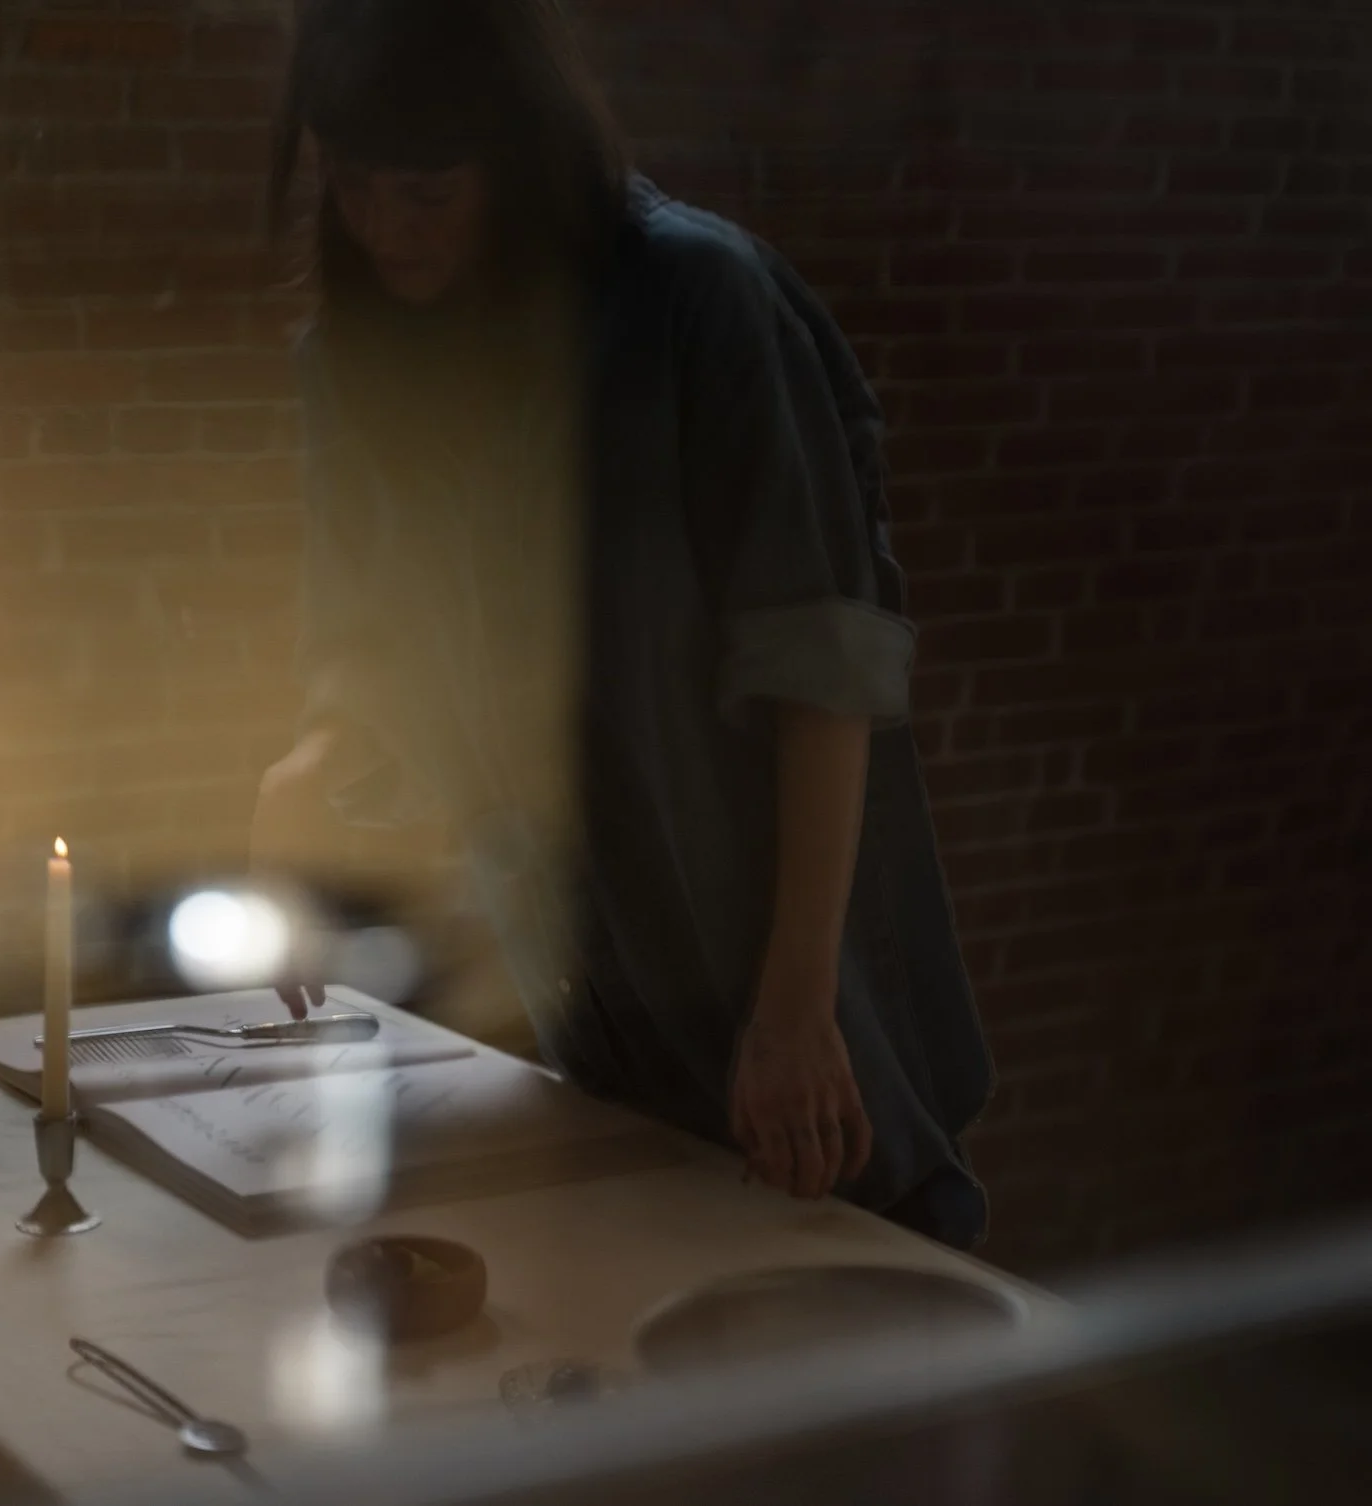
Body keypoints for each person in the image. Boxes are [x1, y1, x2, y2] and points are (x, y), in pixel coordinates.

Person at [249, 0, 994, 1248]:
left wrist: (796, 1002)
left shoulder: (696, 303)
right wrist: (312, 767)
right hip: (588, 1007)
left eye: (427, 193)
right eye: (353, 186)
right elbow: (370, 641)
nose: (384, 230)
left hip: (786, 967)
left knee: (854, 1270)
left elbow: (822, 675)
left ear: (517, 155)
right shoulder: (353, 359)